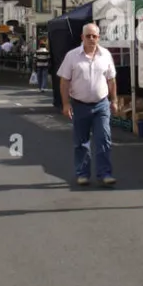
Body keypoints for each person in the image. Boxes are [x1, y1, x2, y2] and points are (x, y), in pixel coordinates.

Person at [57, 23, 120, 186]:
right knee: (81, 142)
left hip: (101, 105)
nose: (91, 39)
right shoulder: (72, 56)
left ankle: (105, 174)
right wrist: (65, 104)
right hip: (80, 104)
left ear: (99, 37)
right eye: (88, 36)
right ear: (82, 37)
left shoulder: (105, 55)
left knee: (104, 139)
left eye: (94, 36)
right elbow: (64, 81)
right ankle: (83, 174)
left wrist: (114, 100)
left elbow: (111, 80)